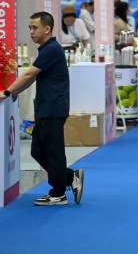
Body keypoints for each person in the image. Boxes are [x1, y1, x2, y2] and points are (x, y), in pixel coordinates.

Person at [2, 12, 83, 206]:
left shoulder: (52, 49)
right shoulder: (47, 49)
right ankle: (69, 177)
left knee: (53, 151)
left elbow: (29, 74)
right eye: (30, 28)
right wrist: (15, 92)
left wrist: (7, 92)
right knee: (37, 150)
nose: (31, 31)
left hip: (52, 108)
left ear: (47, 29)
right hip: (46, 107)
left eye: (34, 28)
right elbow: (33, 77)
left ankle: (58, 193)